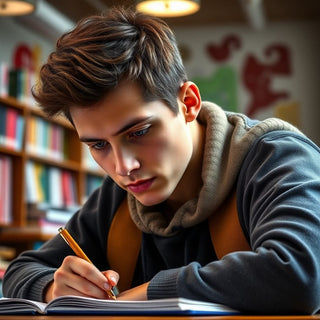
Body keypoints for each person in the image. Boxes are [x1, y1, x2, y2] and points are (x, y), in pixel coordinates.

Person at [3, 6, 320, 314]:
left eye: (138, 132)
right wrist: (53, 288)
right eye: (99, 144)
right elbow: (22, 269)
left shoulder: (277, 159)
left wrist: (152, 291)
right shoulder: (118, 196)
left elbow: (304, 274)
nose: (123, 167)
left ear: (188, 103)